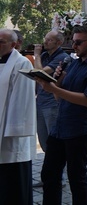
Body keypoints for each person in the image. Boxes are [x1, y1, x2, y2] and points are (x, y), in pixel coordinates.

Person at [39, 25, 87, 204]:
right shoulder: (73, 63)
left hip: (80, 127)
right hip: (61, 126)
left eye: (78, 42)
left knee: (76, 176)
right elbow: (58, 98)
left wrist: (55, 88)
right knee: (49, 173)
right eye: (73, 41)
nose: (74, 46)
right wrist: (57, 82)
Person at [0, 29, 36, 204]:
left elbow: (22, 99)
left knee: (13, 181)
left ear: (13, 44)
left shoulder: (22, 63)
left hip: (11, 133)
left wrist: (14, 130)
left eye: (1, 41)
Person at [32, 30, 70, 187]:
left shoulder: (62, 57)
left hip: (53, 104)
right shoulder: (47, 56)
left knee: (54, 142)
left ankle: (58, 178)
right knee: (44, 141)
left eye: (49, 40)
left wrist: (37, 55)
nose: (45, 42)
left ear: (58, 43)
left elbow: (39, 73)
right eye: (45, 39)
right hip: (40, 102)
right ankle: (49, 175)